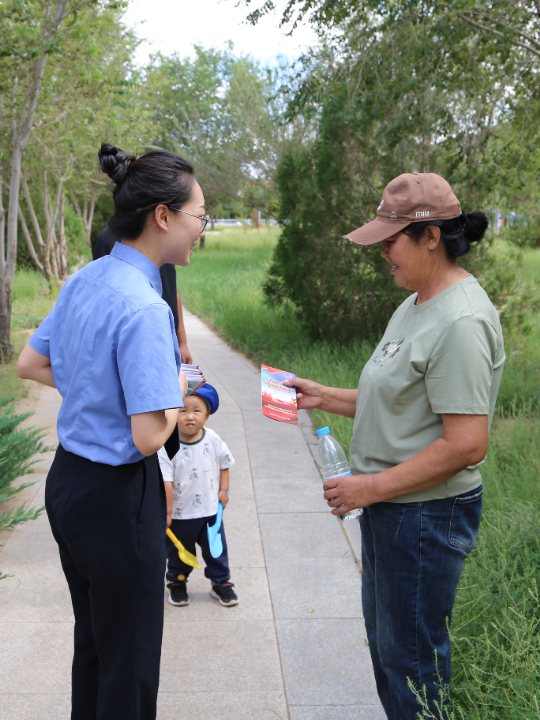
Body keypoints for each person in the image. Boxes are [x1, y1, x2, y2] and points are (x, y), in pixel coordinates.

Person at [287, 173, 505, 719]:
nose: (383, 252)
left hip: (426, 515)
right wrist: (323, 396)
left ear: (431, 236)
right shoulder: (414, 304)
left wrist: (371, 486)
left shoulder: (461, 320)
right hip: (392, 509)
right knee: (388, 649)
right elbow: (395, 398)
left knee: (412, 661)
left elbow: (466, 444)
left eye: (391, 239)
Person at [16, 142, 210, 720]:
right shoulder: (146, 307)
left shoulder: (85, 279)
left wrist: (96, 394)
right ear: (163, 216)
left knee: (96, 646)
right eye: (199, 215)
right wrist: (177, 392)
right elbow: (151, 436)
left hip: (69, 485)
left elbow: (32, 364)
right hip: (118, 497)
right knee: (129, 663)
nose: (202, 227)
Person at [158, 383, 239, 608]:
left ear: (207, 414)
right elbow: (165, 480)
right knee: (178, 552)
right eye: (182, 411)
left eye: (196, 411)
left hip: (210, 510)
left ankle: (221, 582)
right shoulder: (167, 444)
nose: (189, 417)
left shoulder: (212, 438)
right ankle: (177, 582)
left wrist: (224, 490)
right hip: (179, 513)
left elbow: (225, 463)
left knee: (216, 549)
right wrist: (166, 511)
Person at [92, 226, 193, 364]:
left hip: (168, 341)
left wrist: (182, 342)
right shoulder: (107, 239)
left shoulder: (166, 239)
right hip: (136, 346)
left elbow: (172, 290)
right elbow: (102, 295)